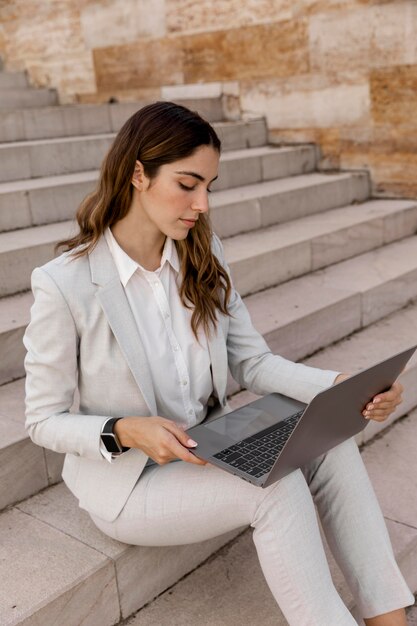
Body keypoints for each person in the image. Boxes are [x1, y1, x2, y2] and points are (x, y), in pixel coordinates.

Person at [23, 101, 414, 626]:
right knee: (275, 488)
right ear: (138, 173)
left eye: (209, 185)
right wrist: (127, 430)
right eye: (187, 184)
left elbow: (251, 362)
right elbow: (42, 420)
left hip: (214, 440)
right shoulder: (64, 282)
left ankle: (390, 619)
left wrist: (341, 385)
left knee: (331, 440)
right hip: (131, 480)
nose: (202, 203)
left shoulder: (201, 254)